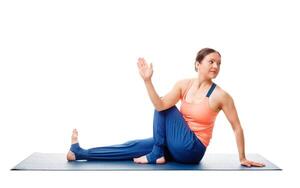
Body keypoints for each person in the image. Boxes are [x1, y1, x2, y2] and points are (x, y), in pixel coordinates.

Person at [66, 48, 265, 167]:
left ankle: (157, 153)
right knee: (132, 146)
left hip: (192, 149)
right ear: (197, 64)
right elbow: (158, 104)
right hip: (173, 143)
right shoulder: (183, 85)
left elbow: (237, 127)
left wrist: (242, 157)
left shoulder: (221, 95)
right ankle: (79, 153)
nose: (215, 66)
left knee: (166, 108)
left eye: (219, 63)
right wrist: (147, 81)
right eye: (211, 61)